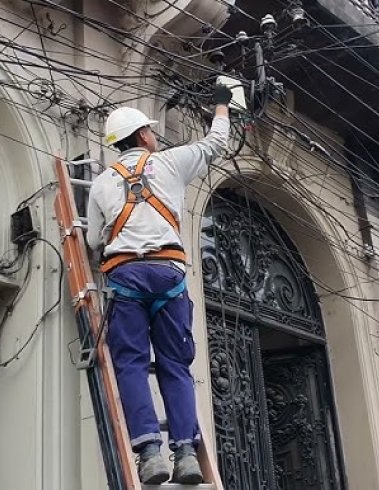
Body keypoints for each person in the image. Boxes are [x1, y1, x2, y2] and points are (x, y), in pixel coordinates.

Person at [86, 85, 233, 484]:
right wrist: (221, 102)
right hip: (169, 274)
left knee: (131, 364)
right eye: (150, 131)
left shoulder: (100, 184)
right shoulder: (171, 163)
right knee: (175, 365)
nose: (154, 135)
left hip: (125, 277)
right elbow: (218, 141)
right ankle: (185, 452)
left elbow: (93, 240)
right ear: (143, 136)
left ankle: (150, 454)